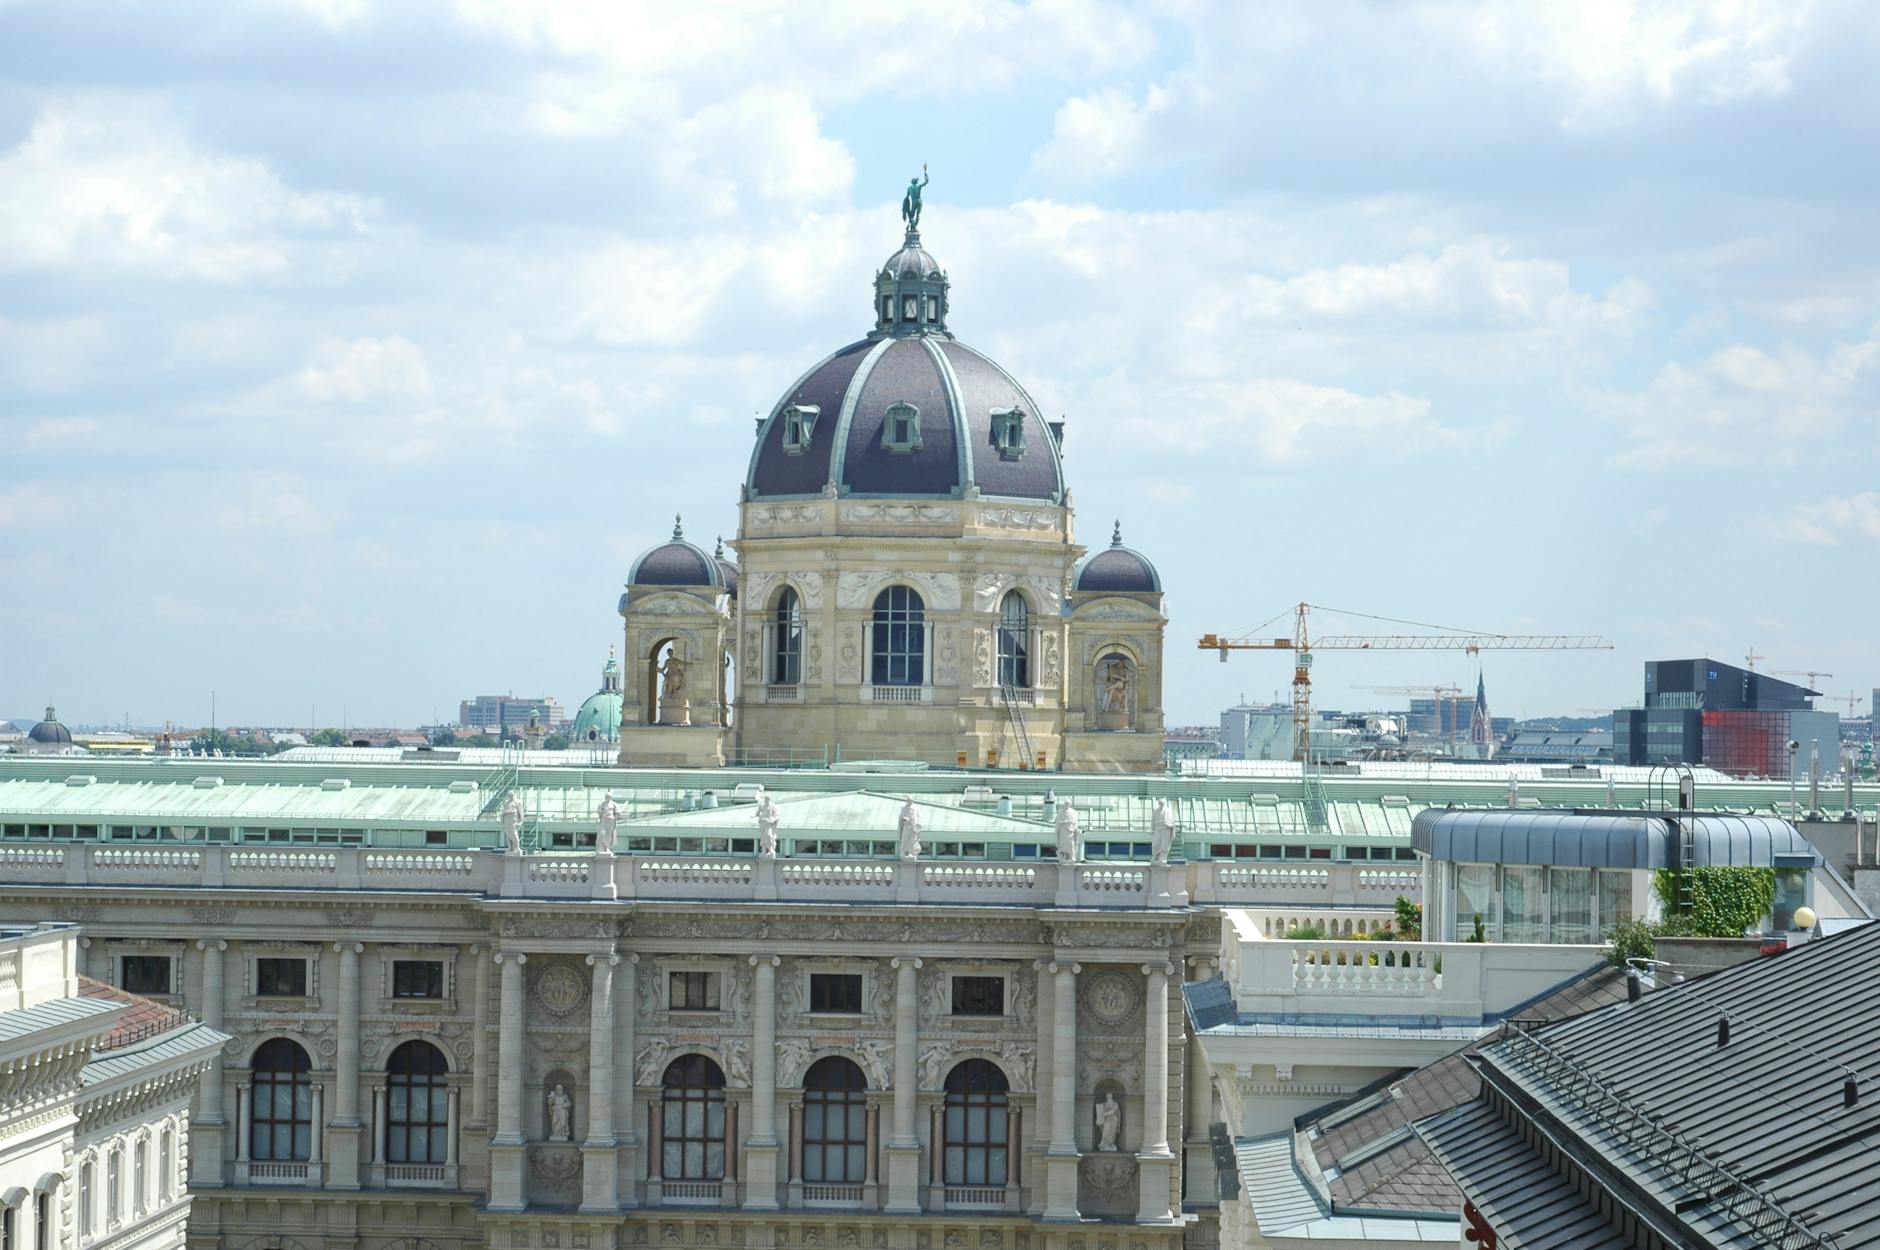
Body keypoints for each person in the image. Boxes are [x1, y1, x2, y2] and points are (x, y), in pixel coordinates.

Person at [902, 164, 929, 230]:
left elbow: (907, 198)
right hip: (919, 201)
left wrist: (905, 208)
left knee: (912, 215)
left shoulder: (909, 188)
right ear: (916, 182)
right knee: (918, 214)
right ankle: (914, 226)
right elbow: (926, 181)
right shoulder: (919, 186)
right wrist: (925, 173)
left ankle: (913, 226)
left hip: (913, 202)